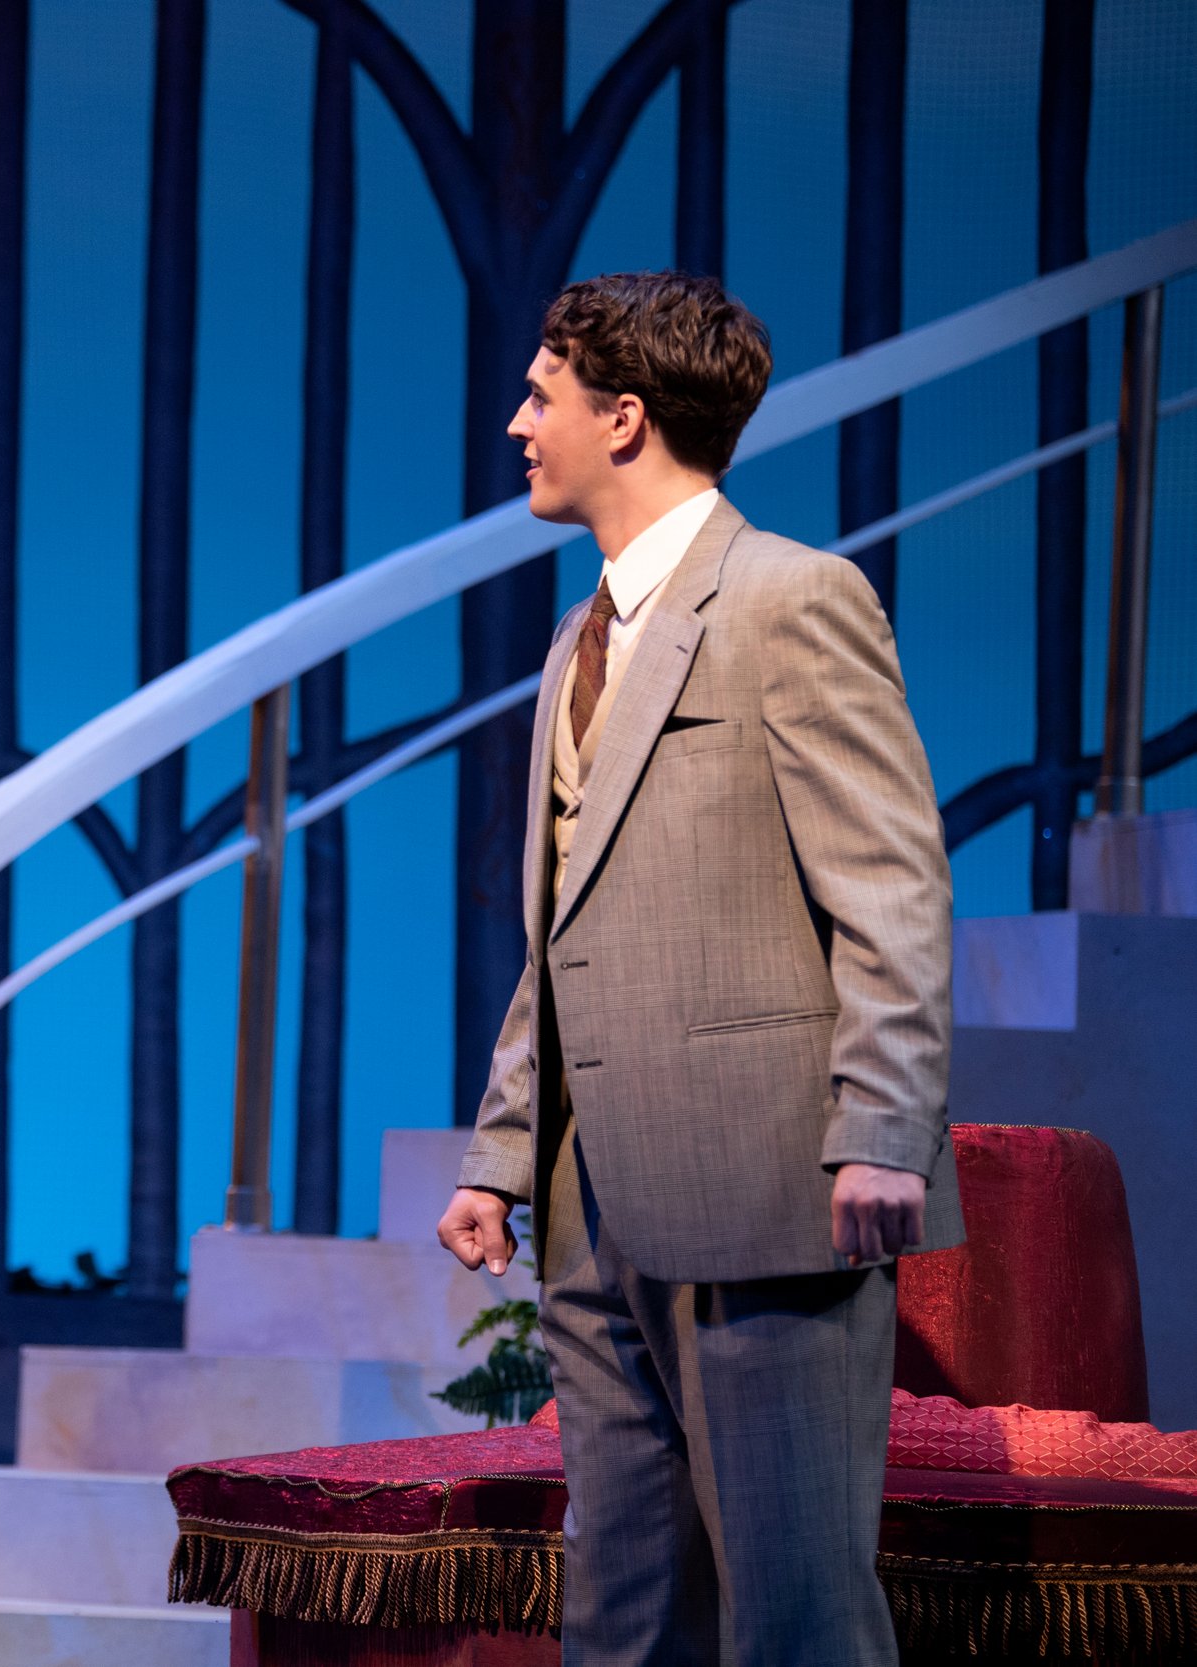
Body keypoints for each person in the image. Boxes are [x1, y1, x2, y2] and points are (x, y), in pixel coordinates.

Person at [435, 271, 961, 1664]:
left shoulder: (792, 599)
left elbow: (892, 886)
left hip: (763, 1185)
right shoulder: (580, 641)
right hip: (596, 1200)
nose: (516, 425)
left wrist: (882, 1129)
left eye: (540, 396)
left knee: (793, 1615)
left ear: (623, 418)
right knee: (626, 1612)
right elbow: (564, 931)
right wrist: (503, 1154)